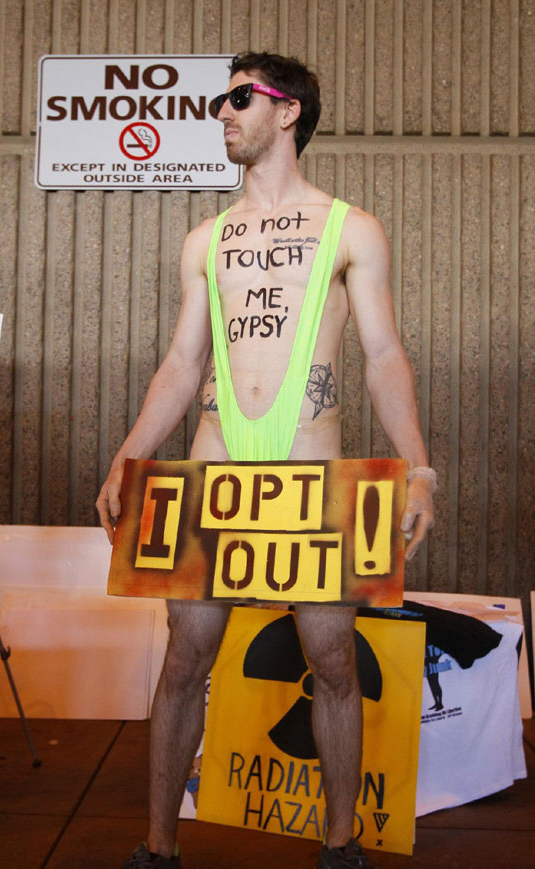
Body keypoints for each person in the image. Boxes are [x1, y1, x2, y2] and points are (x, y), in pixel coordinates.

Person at [97, 51, 436, 869]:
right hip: (215, 470)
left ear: (288, 113)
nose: (223, 110)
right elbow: (182, 363)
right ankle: (158, 846)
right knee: (184, 657)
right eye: (222, 97)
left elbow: (384, 352)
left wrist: (417, 463)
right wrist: (131, 453)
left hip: (312, 473)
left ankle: (341, 844)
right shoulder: (205, 240)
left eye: (240, 97)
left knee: (332, 659)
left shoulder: (351, 227)